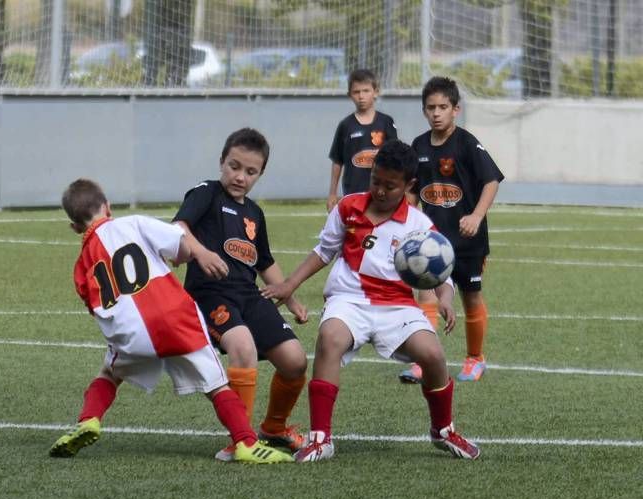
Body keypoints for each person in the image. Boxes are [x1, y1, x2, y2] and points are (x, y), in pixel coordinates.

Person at [262, 139, 481, 462]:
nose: (379, 190)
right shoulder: (348, 207)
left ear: (409, 185)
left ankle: (443, 430)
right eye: (375, 180)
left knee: (433, 354)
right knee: (329, 338)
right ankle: (321, 438)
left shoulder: (418, 225)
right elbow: (323, 251)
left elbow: (442, 274)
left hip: (398, 305)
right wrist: (288, 284)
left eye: (390, 186)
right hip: (349, 299)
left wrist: (445, 298)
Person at [49, 178, 293, 464]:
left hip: (131, 332)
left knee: (108, 374)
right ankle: (245, 442)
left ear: (75, 227)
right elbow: (180, 244)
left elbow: (96, 305)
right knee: (217, 386)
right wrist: (194, 254)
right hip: (176, 320)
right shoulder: (135, 223)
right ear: (108, 206)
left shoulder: (82, 264)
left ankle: (88, 419)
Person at [173, 128, 309, 462]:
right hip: (209, 295)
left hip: (250, 295)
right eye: (234, 167)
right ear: (222, 162)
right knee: (243, 347)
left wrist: (289, 295)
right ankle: (242, 440)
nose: (240, 176)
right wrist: (201, 254)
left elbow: (264, 262)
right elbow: (178, 228)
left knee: (295, 360)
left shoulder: (254, 213)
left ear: (260, 174)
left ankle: (274, 428)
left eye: (250, 172)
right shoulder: (206, 192)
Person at [399, 76, 504, 384]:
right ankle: (424, 360)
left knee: (471, 297)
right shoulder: (418, 146)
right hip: (431, 242)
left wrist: (475, 215)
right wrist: (408, 218)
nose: (436, 113)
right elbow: (412, 192)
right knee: (426, 296)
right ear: (423, 111)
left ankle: (475, 358)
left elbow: (492, 180)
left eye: (443, 107)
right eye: (430, 107)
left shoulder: (467, 143)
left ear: (456, 109)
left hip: (468, 241)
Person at [327, 68, 398, 213]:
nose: (361, 96)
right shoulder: (345, 125)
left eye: (366, 91)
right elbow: (337, 161)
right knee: (355, 233)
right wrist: (332, 193)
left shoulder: (386, 122)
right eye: (356, 92)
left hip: (382, 192)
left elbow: (396, 158)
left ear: (376, 92)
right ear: (349, 95)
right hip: (353, 193)